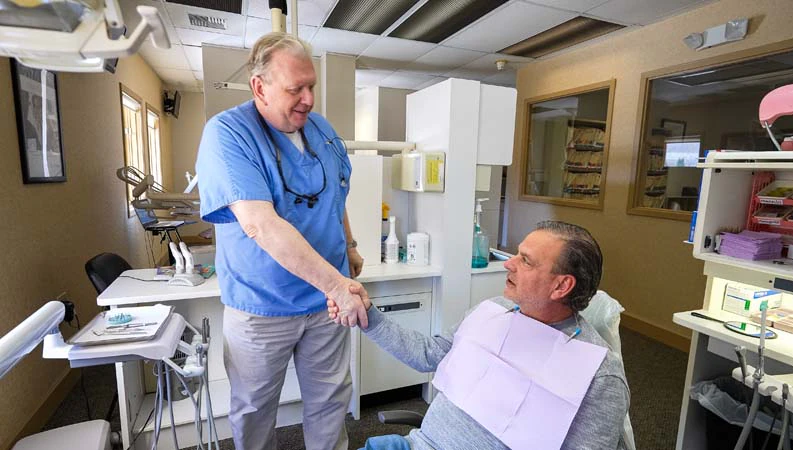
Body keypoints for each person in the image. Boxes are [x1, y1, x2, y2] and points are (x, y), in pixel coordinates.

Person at [195, 32, 369, 450]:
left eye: (311, 86)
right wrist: (337, 285)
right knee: (255, 410)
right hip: (263, 305)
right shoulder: (228, 135)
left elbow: (334, 191)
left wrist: (348, 245)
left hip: (326, 305)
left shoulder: (319, 128)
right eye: (296, 89)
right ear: (260, 87)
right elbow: (260, 225)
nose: (309, 99)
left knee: (330, 402)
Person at [330, 221, 630, 450]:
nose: (509, 263)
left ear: (561, 286)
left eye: (525, 260)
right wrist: (367, 315)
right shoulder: (494, 312)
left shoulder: (599, 375)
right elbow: (427, 354)